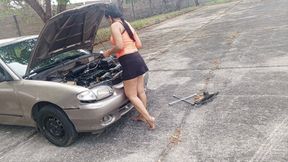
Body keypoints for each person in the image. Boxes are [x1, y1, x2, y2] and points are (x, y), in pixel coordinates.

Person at [103, 4, 155, 129]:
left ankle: (149, 118)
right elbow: (139, 44)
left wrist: (108, 53)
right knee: (140, 91)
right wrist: (128, 49)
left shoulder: (115, 25)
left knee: (131, 95)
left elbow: (120, 46)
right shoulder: (126, 23)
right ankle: (142, 116)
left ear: (109, 16)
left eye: (107, 19)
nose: (108, 21)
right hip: (137, 58)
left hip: (128, 61)